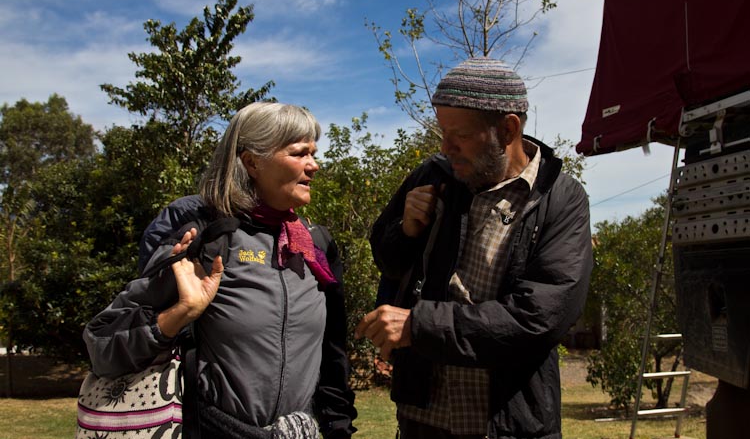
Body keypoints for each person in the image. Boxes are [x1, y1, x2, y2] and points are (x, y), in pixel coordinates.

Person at [84, 102, 356, 439]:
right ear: (252, 161)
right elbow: (101, 343)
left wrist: (337, 427)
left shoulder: (314, 246)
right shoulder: (206, 238)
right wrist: (181, 313)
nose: (314, 165)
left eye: (314, 153)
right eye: (299, 153)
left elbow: (333, 355)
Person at [356, 57, 593, 439]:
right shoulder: (433, 175)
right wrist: (406, 230)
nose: (445, 147)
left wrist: (420, 325)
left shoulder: (561, 199)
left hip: (509, 426)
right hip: (425, 421)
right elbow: (387, 259)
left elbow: (540, 318)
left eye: (460, 135)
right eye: (442, 132)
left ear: (507, 129)